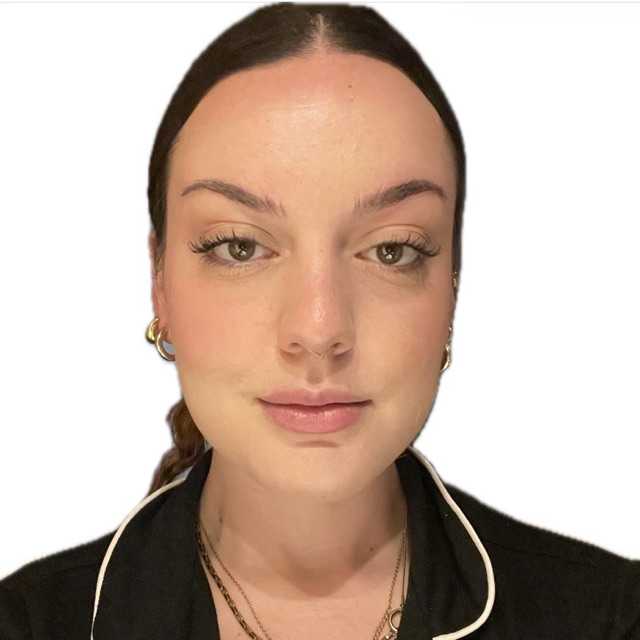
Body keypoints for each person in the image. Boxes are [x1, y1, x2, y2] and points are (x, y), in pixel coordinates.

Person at [1, 3, 638, 639]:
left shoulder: (610, 618)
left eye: (392, 250)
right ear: (159, 282)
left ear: (452, 285)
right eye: (239, 247)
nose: (318, 329)